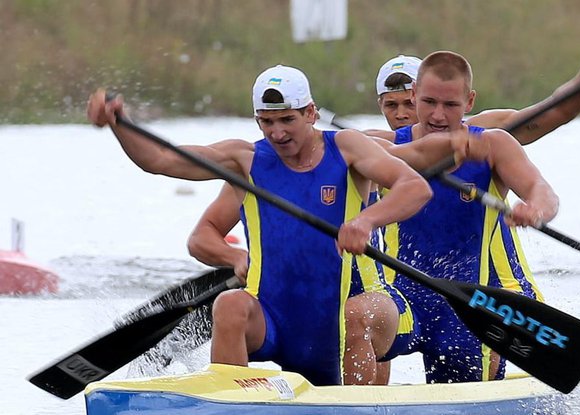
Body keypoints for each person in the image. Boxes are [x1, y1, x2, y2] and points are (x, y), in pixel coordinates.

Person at [87, 64, 479, 386]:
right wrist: (120, 124)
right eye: (267, 122)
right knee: (230, 305)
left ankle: (354, 407)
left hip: (357, 310)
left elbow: (414, 188)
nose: (277, 133)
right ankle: (231, 401)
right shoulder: (244, 159)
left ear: (310, 113)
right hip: (277, 320)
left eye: (288, 120)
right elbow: (162, 161)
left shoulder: (348, 148)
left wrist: (365, 220)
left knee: (360, 312)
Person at [370, 48, 580, 384]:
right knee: (358, 320)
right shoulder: (381, 148)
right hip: (408, 294)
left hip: (479, 296)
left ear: (468, 102)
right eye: (425, 103)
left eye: (449, 105)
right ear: (416, 96)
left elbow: (549, 127)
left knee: (464, 383)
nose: (437, 115)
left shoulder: (489, 139)